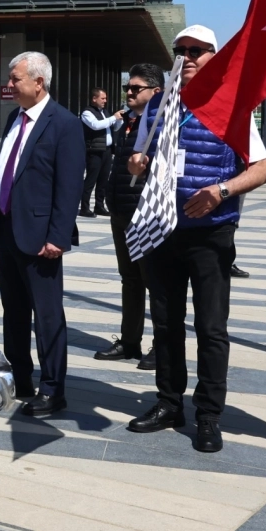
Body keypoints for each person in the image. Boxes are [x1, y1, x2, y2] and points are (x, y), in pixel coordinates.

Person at [126, 25, 266, 453]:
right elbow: (140, 156)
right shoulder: (159, 106)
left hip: (211, 232)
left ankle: (208, 414)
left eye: (197, 51)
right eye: (181, 50)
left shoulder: (233, 105)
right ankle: (169, 403)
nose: (187, 57)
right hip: (163, 228)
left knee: (211, 328)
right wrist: (137, 164)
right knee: (166, 323)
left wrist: (222, 191)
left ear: (215, 56)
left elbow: (262, 168)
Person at [0, 51, 84, 417]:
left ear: (39, 82)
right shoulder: (14, 118)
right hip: (7, 229)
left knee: (47, 316)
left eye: (15, 79)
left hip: (40, 238)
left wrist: (58, 237)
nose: (9, 85)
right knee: (14, 311)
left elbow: (69, 187)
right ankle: (20, 378)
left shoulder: (64, 124)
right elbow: (12, 168)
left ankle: (52, 389)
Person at [95, 64, 165, 368]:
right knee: (131, 280)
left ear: (156, 92)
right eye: (128, 87)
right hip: (121, 211)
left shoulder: (161, 124)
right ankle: (129, 341)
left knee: (156, 283)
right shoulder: (126, 122)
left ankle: (162, 346)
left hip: (146, 214)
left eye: (136, 88)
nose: (129, 92)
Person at [79, 88, 124, 217]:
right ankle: (85, 208)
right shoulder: (87, 113)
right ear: (94, 99)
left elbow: (113, 127)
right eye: (102, 98)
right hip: (94, 151)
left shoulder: (105, 112)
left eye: (105, 98)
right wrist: (113, 117)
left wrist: (119, 120)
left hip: (107, 150)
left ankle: (99, 206)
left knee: (103, 180)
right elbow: (96, 125)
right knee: (91, 179)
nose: (105, 101)